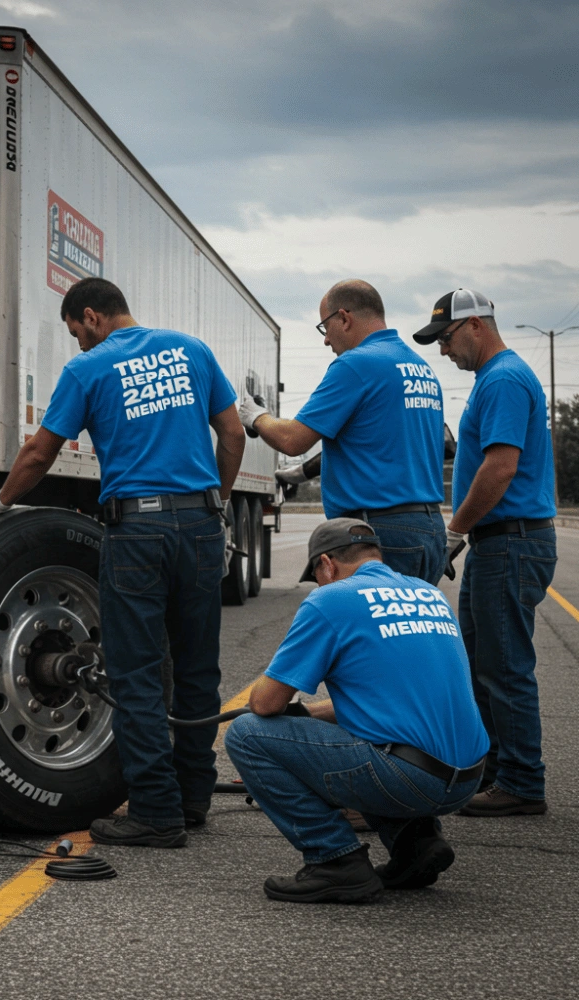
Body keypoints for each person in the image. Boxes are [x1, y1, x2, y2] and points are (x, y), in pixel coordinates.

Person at [0, 277, 246, 847]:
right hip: (198, 524)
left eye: (77, 334)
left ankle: (156, 814)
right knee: (197, 668)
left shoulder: (88, 371)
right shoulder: (192, 350)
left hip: (138, 528)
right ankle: (192, 798)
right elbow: (233, 433)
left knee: (135, 672)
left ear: (91, 316)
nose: (79, 345)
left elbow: (42, 450)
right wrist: (215, 498)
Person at [225, 519, 488, 903]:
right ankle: (415, 842)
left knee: (247, 734)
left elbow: (266, 703)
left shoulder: (332, 599)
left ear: (327, 564)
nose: (318, 583)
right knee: (377, 735)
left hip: (410, 778)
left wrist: (286, 715)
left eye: (316, 575)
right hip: (467, 778)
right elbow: (393, 697)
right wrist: (310, 718)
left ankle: (335, 861)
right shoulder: (426, 593)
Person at [413, 289, 557, 816]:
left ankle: (521, 781)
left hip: (512, 542)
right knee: (481, 664)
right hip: (498, 542)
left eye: (446, 339)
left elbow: (501, 467)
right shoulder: (492, 380)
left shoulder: (503, 379)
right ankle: (497, 771)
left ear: (475, 325)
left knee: (504, 666)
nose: (444, 351)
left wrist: (454, 531)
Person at [239, 279, 448, 583]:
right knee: (410, 627)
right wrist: (301, 472)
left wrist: (256, 417)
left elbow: (293, 438)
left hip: (380, 531)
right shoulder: (419, 368)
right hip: (428, 528)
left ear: (344, 318)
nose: (326, 341)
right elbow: (377, 446)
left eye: (325, 328)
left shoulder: (356, 364)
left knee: (371, 628)